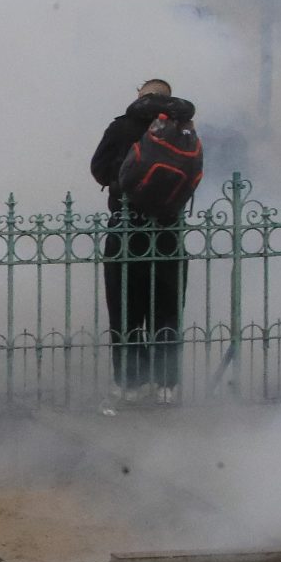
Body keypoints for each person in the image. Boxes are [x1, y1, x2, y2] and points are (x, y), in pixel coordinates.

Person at [89, 78, 196, 407]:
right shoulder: (184, 129)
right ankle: (167, 384)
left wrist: (118, 179)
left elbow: (98, 168)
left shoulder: (123, 127)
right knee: (167, 309)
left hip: (126, 226)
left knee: (125, 309)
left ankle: (131, 384)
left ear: (141, 97)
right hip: (168, 230)